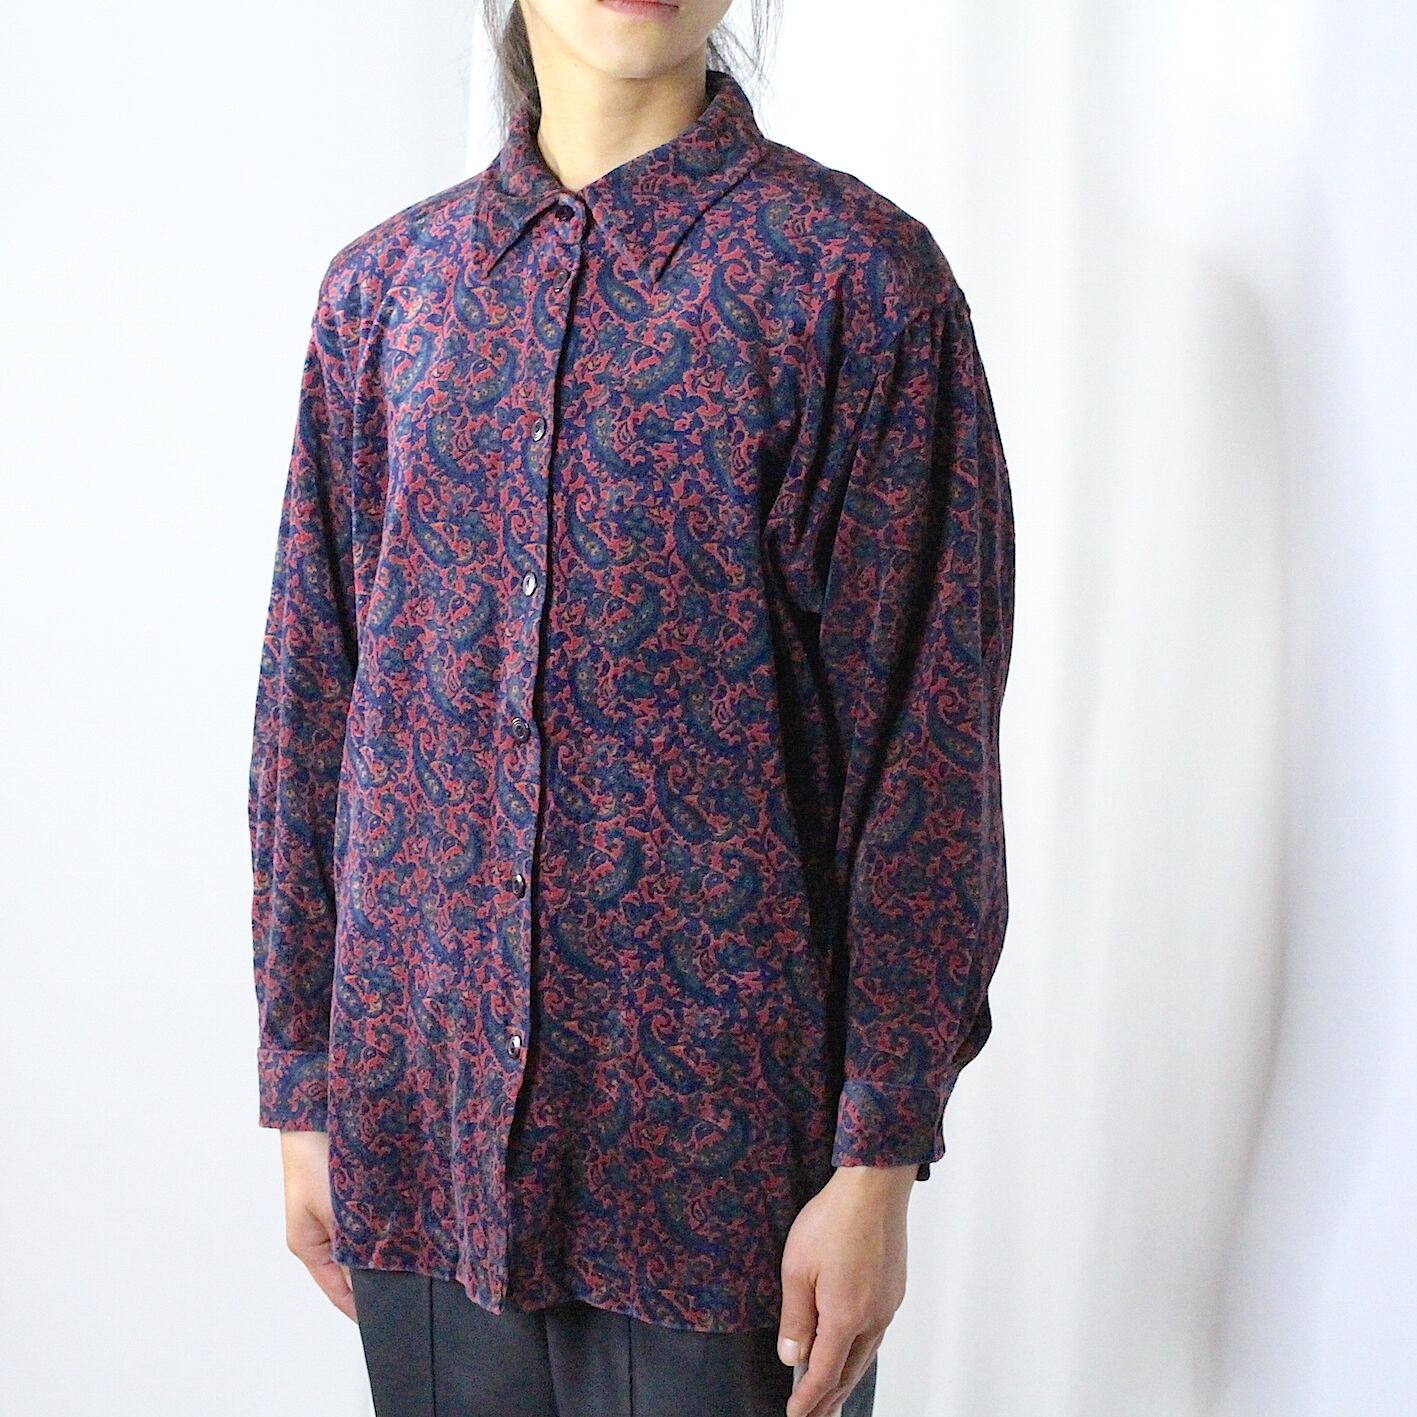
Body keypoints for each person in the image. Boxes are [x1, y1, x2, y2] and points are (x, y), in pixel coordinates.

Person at [248, 1, 1016, 1414]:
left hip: (727, 1187)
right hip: (424, 1148)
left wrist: (879, 1158)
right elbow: (312, 707)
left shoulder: (855, 287)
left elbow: (927, 753)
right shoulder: (384, 298)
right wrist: (303, 1077)